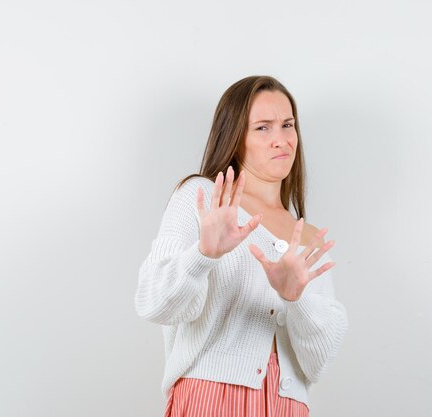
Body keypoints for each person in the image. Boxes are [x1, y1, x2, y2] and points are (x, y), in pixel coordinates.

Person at [135, 75, 348, 417]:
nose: (281, 140)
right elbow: (153, 303)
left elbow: (318, 363)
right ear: (235, 138)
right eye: (263, 128)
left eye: (287, 124)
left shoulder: (306, 236)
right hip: (211, 398)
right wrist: (202, 256)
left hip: (288, 406)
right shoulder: (203, 198)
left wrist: (296, 299)